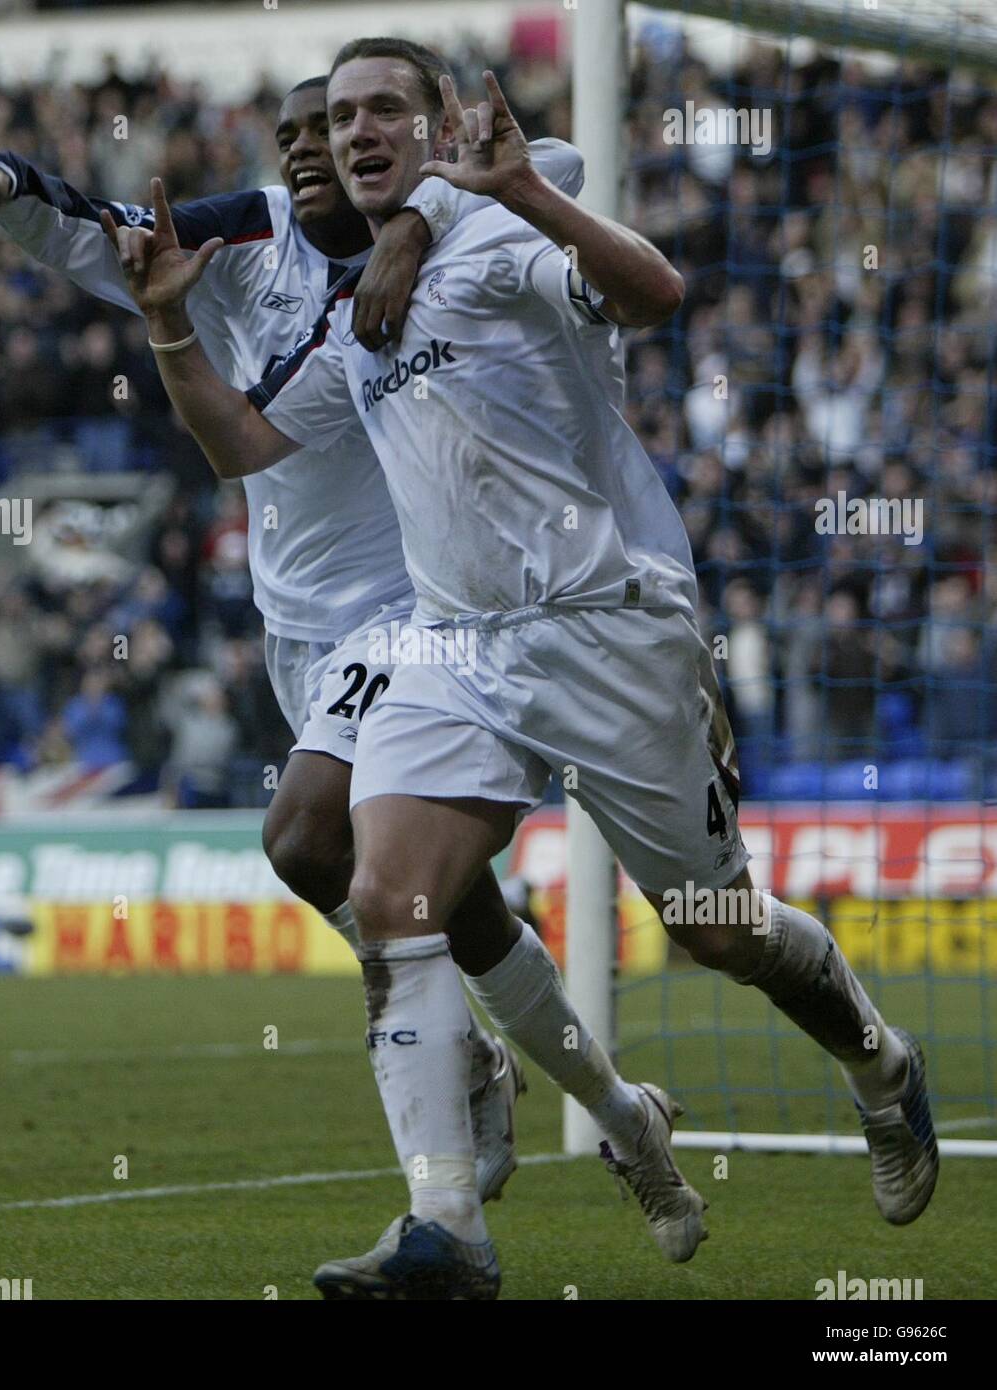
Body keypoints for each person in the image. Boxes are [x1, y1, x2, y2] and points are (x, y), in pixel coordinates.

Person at [112, 38, 939, 1299]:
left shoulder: (498, 234)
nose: (355, 132)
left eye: (384, 108)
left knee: (719, 932)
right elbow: (239, 444)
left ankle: (879, 1064)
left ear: (439, 122)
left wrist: (524, 194)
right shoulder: (354, 316)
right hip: (451, 644)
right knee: (391, 900)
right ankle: (445, 1227)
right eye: (340, 119)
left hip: (603, 626)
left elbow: (657, 293)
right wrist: (169, 321)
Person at [0, 81, 588, 1206]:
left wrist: (419, 220)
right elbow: (101, 235)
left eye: (326, 127)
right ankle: (583, 1094)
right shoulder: (238, 239)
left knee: (295, 843)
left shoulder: (432, 223)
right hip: (296, 628)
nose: (305, 148)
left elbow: (561, 162)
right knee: (446, 905)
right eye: (287, 134)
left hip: (411, 615)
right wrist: (4, 181)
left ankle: (457, 1177)